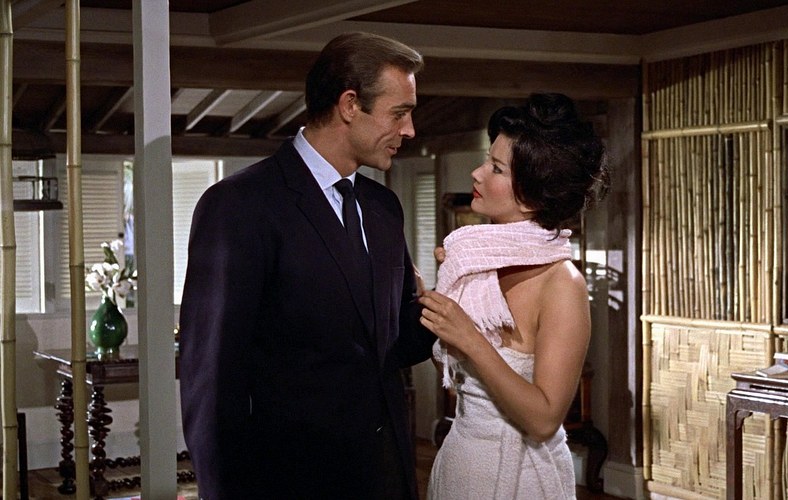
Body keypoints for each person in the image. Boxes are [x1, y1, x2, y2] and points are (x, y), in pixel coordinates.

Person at [178, 32, 436, 499]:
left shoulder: (384, 208)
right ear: (350, 105)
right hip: (289, 481)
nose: (411, 130)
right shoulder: (240, 205)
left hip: (385, 478)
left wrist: (463, 294)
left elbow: (390, 344)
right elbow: (211, 381)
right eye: (399, 113)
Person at [418, 93, 608, 499]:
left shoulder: (562, 283)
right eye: (487, 161)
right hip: (462, 465)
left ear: (533, 193)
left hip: (522, 477)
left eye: (496, 168)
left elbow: (543, 420)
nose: (476, 173)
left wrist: (471, 338)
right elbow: (458, 380)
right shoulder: (474, 264)